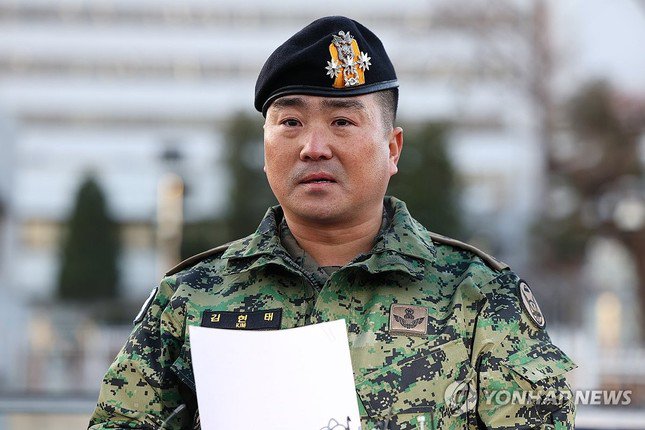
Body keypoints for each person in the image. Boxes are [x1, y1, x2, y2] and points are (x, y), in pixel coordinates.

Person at [89, 16, 576, 430]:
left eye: (342, 122)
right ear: (265, 148)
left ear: (392, 149)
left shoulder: (478, 297)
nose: (313, 147)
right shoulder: (191, 298)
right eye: (290, 122)